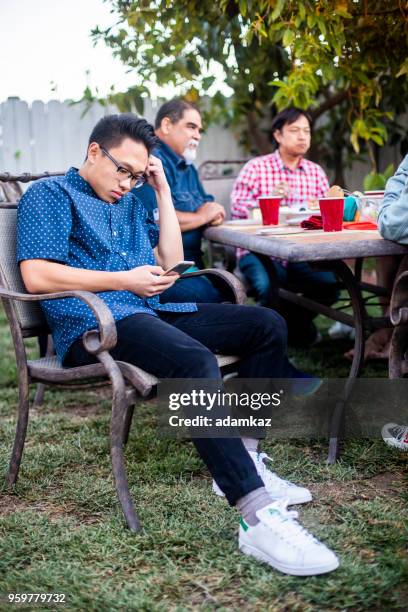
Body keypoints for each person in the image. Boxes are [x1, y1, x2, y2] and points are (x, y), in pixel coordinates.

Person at [16, 113, 338, 576]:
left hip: (149, 314)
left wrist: (162, 191)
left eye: (136, 174)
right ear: (93, 152)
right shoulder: (50, 194)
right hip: (93, 327)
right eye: (122, 170)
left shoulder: (130, 201)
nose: (127, 183)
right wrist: (121, 279)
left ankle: (246, 455)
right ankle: (256, 516)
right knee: (193, 360)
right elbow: (37, 274)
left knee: (266, 325)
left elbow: (171, 262)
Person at [231, 107, 339, 347]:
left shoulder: (315, 172)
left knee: (331, 286)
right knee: (270, 285)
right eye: (294, 130)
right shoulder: (256, 168)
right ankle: (270, 341)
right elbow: (238, 209)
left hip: (302, 254)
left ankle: (292, 326)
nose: (302, 137)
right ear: (278, 135)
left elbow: (325, 213)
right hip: (259, 252)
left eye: (307, 131)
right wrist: (270, 198)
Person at [138, 98, 226, 304]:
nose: (197, 135)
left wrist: (209, 213)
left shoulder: (188, 167)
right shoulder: (150, 161)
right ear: (167, 125)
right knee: (218, 297)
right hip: (163, 268)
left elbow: (210, 207)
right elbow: (155, 220)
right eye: (191, 127)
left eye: (199, 130)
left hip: (194, 261)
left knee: (230, 290)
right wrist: (203, 216)